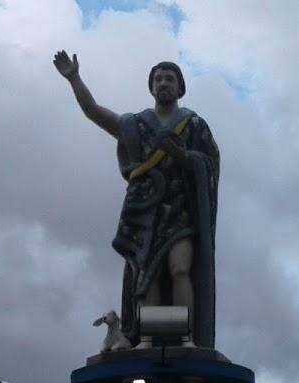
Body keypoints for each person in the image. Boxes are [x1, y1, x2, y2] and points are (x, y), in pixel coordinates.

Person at [54, 50, 220, 348]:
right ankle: (147, 338)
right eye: (158, 79)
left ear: (180, 88)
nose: (163, 83)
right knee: (147, 276)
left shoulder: (194, 125)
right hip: (143, 213)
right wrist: (74, 78)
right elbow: (93, 111)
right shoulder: (136, 125)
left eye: (169, 78)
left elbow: (210, 162)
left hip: (180, 213)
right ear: (152, 87)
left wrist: (184, 157)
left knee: (180, 268)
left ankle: (186, 338)